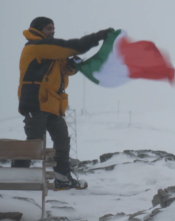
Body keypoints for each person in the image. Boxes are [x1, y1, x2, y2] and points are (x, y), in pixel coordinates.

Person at [17, 17, 111, 190]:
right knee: (34, 143)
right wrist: (97, 36)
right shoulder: (36, 46)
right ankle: (15, 177)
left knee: (62, 142)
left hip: (53, 103)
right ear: (38, 30)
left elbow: (63, 71)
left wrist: (72, 66)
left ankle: (62, 178)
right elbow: (71, 46)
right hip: (36, 102)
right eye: (48, 28)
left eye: (53, 28)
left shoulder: (48, 49)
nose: (52, 31)